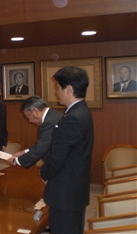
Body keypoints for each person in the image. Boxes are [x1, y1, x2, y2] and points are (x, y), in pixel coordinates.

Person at [40, 66, 94, 233]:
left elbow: (58, 156)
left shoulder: (73, 118)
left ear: (69, 89)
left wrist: (44, 173)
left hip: (66, 193)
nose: (56, 92)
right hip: (74, 190)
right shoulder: (82, 111)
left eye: (58, 87)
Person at [6, 96, 62, 168]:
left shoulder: (49, 123)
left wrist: (16, 161)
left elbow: (41, 148)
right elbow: (43, 144)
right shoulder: (54, 114)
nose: (30, 121)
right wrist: (24, 152)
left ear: (36, 111)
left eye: (27, 116)